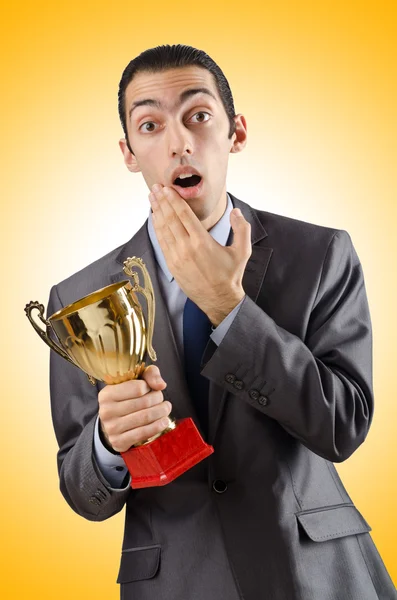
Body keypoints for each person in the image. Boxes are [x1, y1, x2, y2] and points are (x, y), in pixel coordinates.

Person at [47, 44, 396, 600]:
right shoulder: (79, 297)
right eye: (150, 124)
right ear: (130, 151)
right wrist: (109, 445)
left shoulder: (321, 254)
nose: (180, 141)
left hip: (314, 575)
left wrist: (229, 311)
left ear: (236, 132)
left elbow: (344, 426)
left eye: (199, 116)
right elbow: (82, 492)